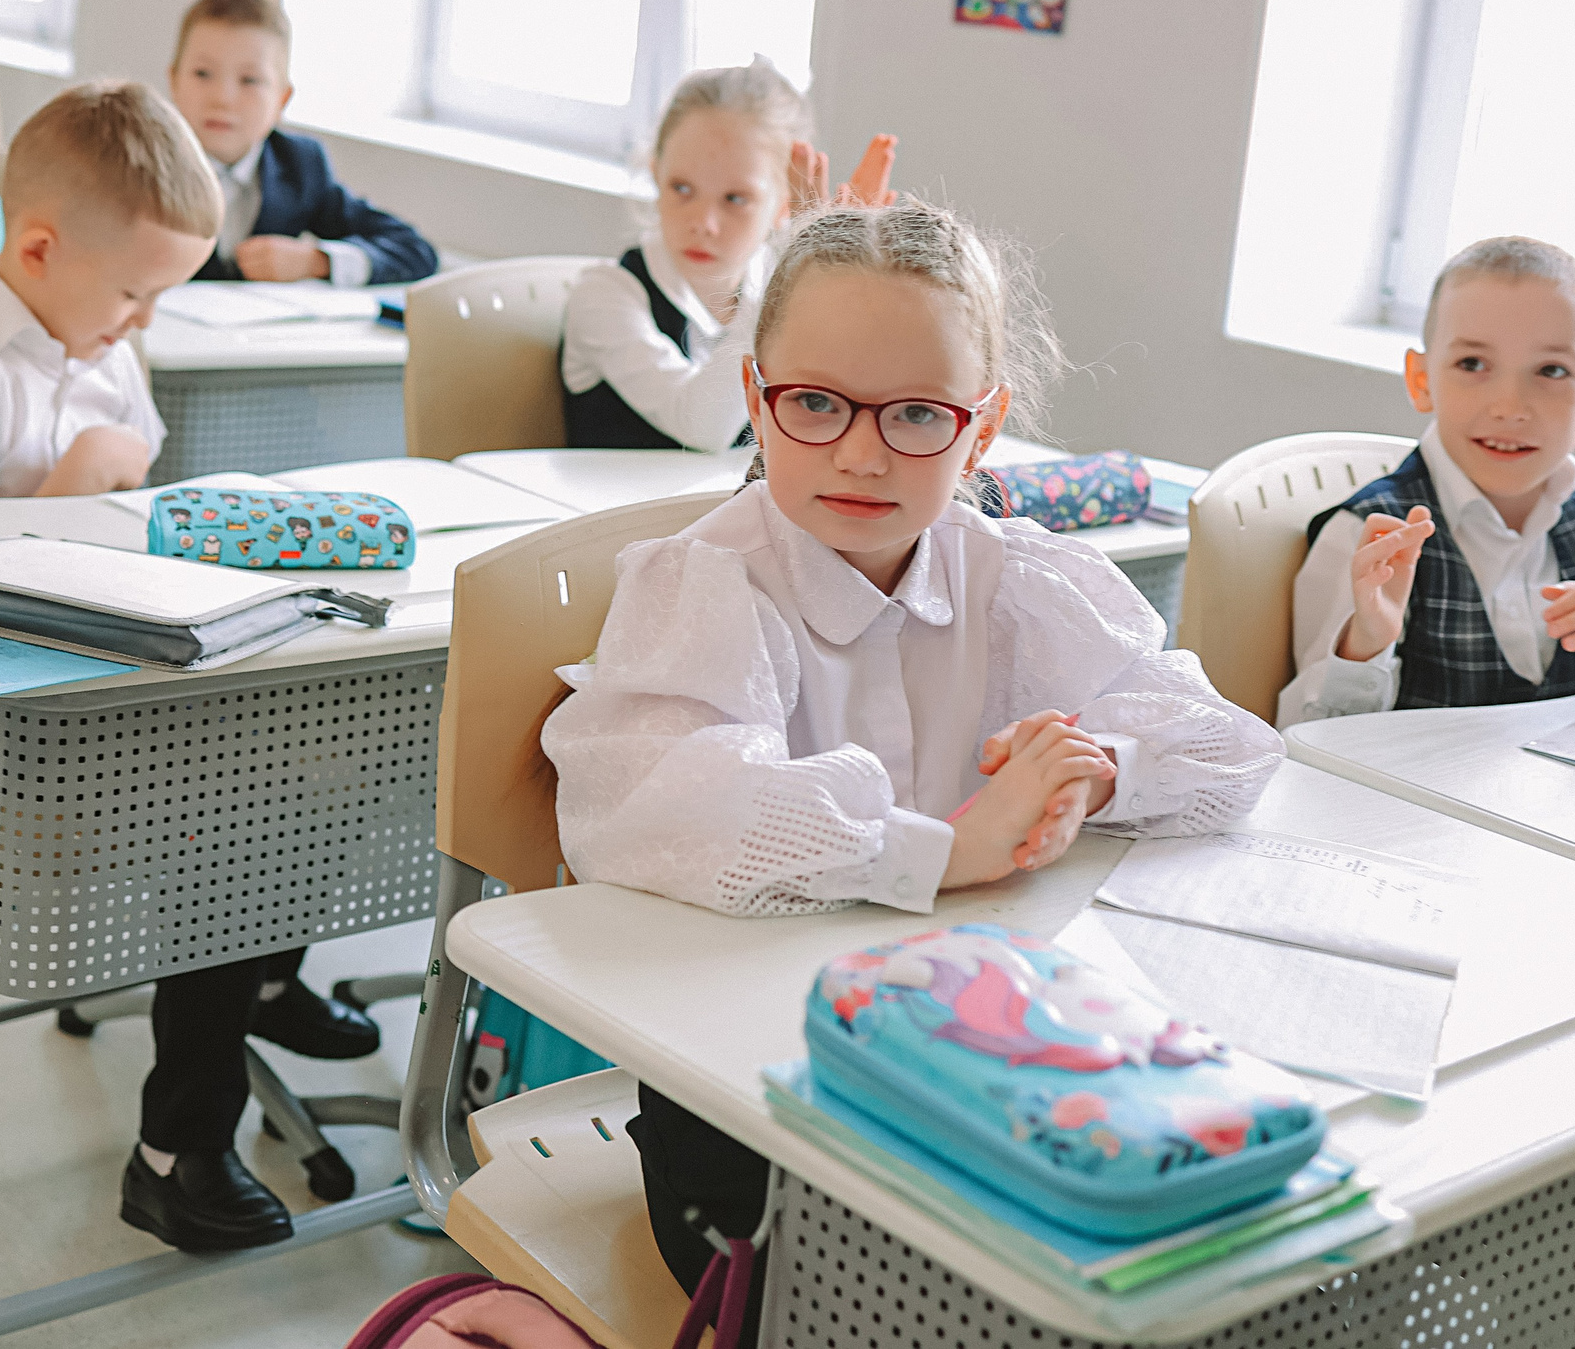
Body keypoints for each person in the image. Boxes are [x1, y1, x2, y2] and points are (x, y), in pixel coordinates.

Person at [544, 201, 1282, 1339]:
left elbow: (1229, 745)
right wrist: (948, 849)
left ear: (980, 430)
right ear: (755, 397)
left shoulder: (1015, 576)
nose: (860, 450)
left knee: (1150, 1267)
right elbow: (652, 803)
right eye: (817, 402)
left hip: (977, 1071)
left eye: (917, 417)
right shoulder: (708, 584)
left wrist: (1092, 770)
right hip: (749, 1102)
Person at [0, 80, 383, 1255]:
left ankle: (255, 971)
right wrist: (65, 493)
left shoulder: (96, 348)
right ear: (39, 248)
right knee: (231, 826)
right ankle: (176, 1150)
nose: (146, 321)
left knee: (345, 755)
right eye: (138, 291)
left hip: (119, 677)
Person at [1278, 235, 1575, 727]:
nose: (1511, 407)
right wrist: (1365, 646)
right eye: (1472, 364)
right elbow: (1300, 736)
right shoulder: (1369, 532)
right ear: (1422, 379)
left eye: (1551, 370)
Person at [559, 58, 896, 450]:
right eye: (681, 188)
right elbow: (702, 427)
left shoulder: (777, 282)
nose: (704, 223)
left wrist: (844, 272)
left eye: (736, 199)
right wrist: (797, 262)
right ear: (656, 174)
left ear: (783, 205)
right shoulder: (604, 295)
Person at [166, 0, 435, 286]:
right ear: (174, 81)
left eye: (250, 80)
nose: (223, 98)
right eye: (203, 74)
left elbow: (414, 251)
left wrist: (315, 261)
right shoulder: (140, 165)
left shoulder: (299, 165)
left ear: (282, 99)